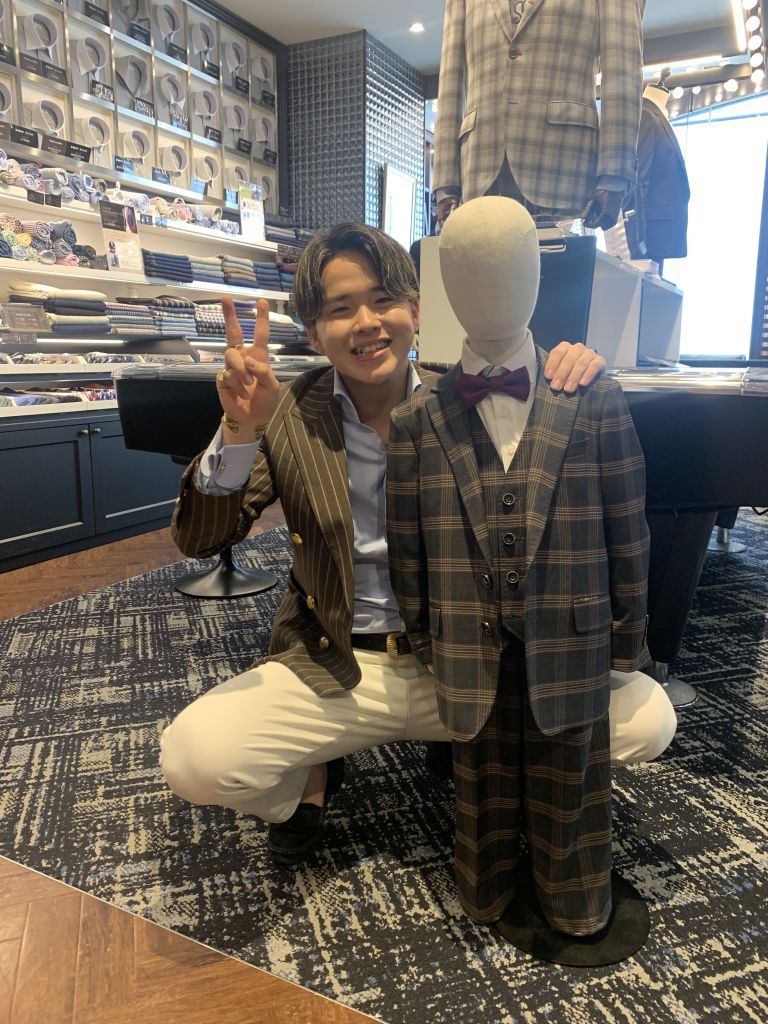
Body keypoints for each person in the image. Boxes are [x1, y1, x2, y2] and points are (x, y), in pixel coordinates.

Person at [160, 222, 616, 869]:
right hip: (336, 661)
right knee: (193, 758)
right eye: (340, 309)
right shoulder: (288, 411)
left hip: (462, 656)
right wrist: (238, 431)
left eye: (383, 300)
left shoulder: (471, 397)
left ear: (416, 312)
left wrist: (571, 366)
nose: (368, 323)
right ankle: (313, 778)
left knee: (642, 719)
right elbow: (200, 537)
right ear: (314, 333)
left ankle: (457, 742)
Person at [386, 196, 676, 949]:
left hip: (570, 640)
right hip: (467, 645)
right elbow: (407, 546)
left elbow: (628, 529)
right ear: (445, 286)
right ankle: (484, 889)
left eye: (509, 268)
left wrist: (627, 641)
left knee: (570, 780)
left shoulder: (594, 398)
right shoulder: (417, 420)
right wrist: (426, 640)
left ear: (538, 279)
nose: (492, 288)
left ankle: (574, 897)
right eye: (471, 272)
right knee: (479, 784)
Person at [432, 0, 644, 231]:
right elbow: (450, 77)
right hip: (480, 168)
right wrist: (445, 185)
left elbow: (623, 66)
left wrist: (613, 178)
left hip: (564, 167)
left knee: (563, 255)